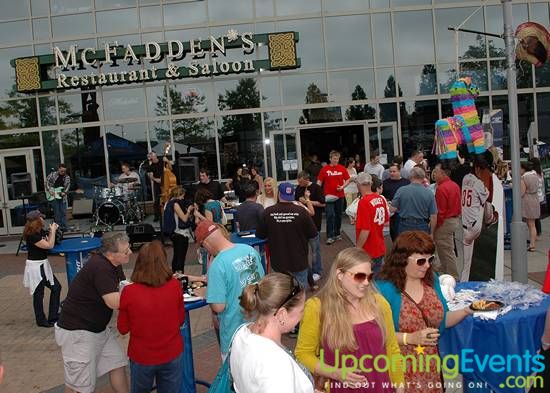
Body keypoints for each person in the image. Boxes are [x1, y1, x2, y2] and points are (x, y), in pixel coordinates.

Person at [295, 248, 404, 392]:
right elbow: (303, 354)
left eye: (369, 277)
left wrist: (400, 386)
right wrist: (336, 373)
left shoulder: (380, 304)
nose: (366, 283)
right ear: (340, 274)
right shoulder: (317, 307)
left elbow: (392, 349)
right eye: (359, 276)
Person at [377, 231, 473, 393]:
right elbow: (376, 334)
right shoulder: (385, 289)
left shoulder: (432, 279)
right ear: (402, 259)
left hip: (430, 368)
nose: (427, 265)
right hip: (398, 370)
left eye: (430, 259)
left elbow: (441, 321)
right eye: (421, 261)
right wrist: (411, 338)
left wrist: (467, 310)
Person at [55, 232, 130, 393]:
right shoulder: (100, 267)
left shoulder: (115, 265)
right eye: (125, 251)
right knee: (79, 384)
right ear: (110, 254)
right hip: (78, 332)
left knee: (117, 363)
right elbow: (114, 301)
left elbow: (123, 288)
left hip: (98, 329)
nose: (130, 252)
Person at [117, 241, 184, 393]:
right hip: (171, 352)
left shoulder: (129, 292)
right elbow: (181, 320)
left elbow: (122, 328)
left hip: (142, 355)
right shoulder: (174, 285)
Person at [231, 273, 315, 393]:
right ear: (282, 314)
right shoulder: (277, 365)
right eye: (301, 310)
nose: (303, 315)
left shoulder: (242, 333)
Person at [195, 220, 265, 360]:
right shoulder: (249, 250)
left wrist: (207, 294)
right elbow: (263, 282)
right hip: (260, 325)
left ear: (206, 244)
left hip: (235, 333)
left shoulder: (218, 264)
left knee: (234, 379)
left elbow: (218, 307)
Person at [256, 183, 318, 290]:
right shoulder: (301, 211)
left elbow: (260, 235)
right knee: (300, 296)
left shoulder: (268, 212)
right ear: (292, 194)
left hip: (278, 262)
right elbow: (313, 234)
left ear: (279, 194)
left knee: (281, 295)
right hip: (299, 260)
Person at [22, 210, 61, 328]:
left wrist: (53, 232)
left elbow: (51, 240)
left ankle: (53, 316)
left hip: (43, 264)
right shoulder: (32, 234)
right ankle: (41, 320)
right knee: (39, 294)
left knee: (56, 287)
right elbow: (49, 245)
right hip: (36, 267)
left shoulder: (38, 231)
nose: (43, 219)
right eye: (41, 218)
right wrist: (53, 231)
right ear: (36, 221)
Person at [461, 156, 495, 282]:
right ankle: (490, 219)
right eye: (482, 169)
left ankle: (464, 283)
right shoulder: (479, 183)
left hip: (465, 225)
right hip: (475, 226)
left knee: (467, 264)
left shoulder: (465, 178)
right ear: (476, 168)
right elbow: (488, 197)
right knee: (486, 204)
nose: (484, 172)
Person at [355, 173, 390, 275]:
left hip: (369, 248)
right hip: (379, 244)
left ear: (359, 184)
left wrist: (358, 249)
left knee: (369, 279)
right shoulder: (380, 198)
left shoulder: (364, 201)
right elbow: (386, 221)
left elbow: (365, 230)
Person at [432, 164, 461, 280]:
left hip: (446, 221)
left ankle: (452, 275)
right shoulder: (454, 185)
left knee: (445, 250)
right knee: (446, 248)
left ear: (443, 174)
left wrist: (435, 226)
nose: (434, 174)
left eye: (436, 172)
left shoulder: (441, 188)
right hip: (453, 219)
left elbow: (441, 211)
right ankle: (446, 272)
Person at [296, 171, 326, 282]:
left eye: (301, 181)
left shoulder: (317, 188)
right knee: (303, 250)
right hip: (301, 224)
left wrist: (308, 201)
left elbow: (323, 203)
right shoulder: (298, 188)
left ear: (306, 179)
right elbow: (295, 201)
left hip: (314, 223)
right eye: (298, 182)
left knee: (315, 250)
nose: (299, 184)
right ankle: (305, 271)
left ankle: (317, 271)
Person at [391, 167, 437, 236]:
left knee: (404, 246)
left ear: (411, 177)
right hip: (422, 225)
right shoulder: (429, 193)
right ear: (423, 177)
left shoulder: (401, 190)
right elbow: (433, 216)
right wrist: (432, 233)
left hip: (404, 225)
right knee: (421, 246)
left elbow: (392, 209)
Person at [317, 150, 351, 245]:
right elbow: (319, 182)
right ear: (330, 159)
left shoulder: (342, 168)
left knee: (338, 215)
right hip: (328, 197)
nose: (336, 160)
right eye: (334, 158)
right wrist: (317, 192)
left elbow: (348, 179)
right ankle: (330, 236)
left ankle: (337, 233)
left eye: (337, 158)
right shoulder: (324, 169)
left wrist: (343, 187)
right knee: (330, 215)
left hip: (340, 196)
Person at [163, 186, 194, 272]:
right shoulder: (175, 204)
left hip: (172, 233)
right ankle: (180, 276)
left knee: (176, 255)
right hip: (180, 233)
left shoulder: (167, 203)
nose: (183, 198)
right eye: (182, 196)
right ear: (178, 195)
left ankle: (175, 274)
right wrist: (188, 211)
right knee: (181, 257)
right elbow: (184, 218)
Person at [382, 163, 410, 240]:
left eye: (394, 171)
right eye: (390, 172)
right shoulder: (385, 183)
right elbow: (382, 196)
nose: (392, 173)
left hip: (403, 212)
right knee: (393, 233)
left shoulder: (406, 182)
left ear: (399, 171)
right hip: (391, 213)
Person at [521, 161, 540, 252]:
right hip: (535, 199)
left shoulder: (524, 177)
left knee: (530, 224)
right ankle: (533, 242)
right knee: (533, 224)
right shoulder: (535, 175)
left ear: (523, 169)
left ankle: (532, 245)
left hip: (528, 200)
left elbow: (522, 192)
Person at [46, 163, 71, 231]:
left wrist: (64, 192)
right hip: (53, 196)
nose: (63, 172)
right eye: (61, 171)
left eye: (64, 171)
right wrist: (49, 190)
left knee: (63, 212)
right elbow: (47, 182)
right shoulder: (52, 175)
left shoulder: (67, 177)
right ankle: (58, 228)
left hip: (62, 197)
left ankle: (64, 228)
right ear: (59, 168)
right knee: (57, 213)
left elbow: (67, 187)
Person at [530, 157, 546, 237]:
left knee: (534, 216)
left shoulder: (533, 174)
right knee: (537, 216)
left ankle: (536, 231)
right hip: (540, 196)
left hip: (535, 196)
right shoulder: (540, 173)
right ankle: (538, 231)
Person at [146, 152, 163, 222]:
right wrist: (156, 179)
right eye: (149, 157)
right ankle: (157, 216)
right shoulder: (151, 166)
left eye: (151, 156)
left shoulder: (162, 161)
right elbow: (151, 176)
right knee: (157, 200)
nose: (150, 158)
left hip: (166, 181)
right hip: (157, 184)